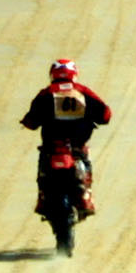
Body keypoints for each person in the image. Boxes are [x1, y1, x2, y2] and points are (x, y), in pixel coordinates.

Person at [20, 59, 113, 216]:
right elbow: (105, 115)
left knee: (43, 166)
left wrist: (28, 122)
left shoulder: (46, 93)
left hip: (52, 144)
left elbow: (32, 121)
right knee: (85, 159)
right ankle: (86, 195)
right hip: (77, 143)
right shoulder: (83, 91)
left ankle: (43, 198)